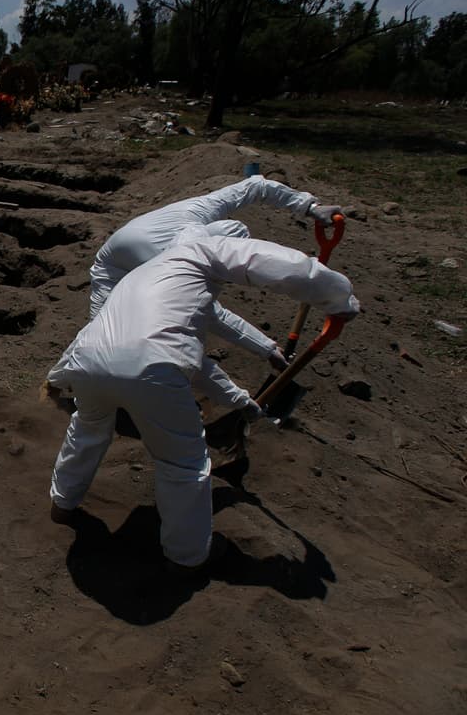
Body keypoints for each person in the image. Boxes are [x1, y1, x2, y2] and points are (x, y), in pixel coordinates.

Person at [45, 234, 360, 574]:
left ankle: (62, 503)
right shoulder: (204, 252)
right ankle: (187, 555)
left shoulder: (150, 276)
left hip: (89, 362)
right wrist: (338, 298)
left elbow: (126, 343)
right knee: (183, 464)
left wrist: (58, 376)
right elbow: (282, 265)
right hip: (151, 370)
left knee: (88, 430)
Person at [88, 175, 345, 371]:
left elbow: (256, 186)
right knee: (103, 340)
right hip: (111, 271)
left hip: (134, 247)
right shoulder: (172, 266)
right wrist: (265, 348)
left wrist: (309, 206)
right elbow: (209, 313)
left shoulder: (196, 212)